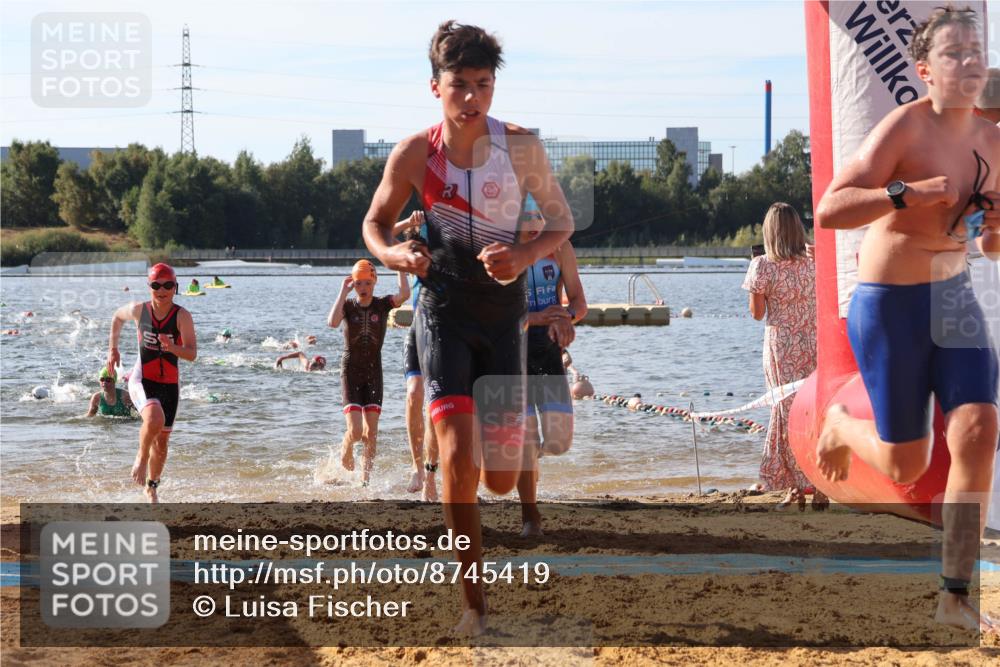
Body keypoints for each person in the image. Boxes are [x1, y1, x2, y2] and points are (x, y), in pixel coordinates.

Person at [360, 21, 574, 635]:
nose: (473, 98)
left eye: (484, 85)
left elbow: (560, 225)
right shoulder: (413, 154)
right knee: (455, 459)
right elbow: (374, 224)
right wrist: (395, 256)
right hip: (444, 313)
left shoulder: (523, 148)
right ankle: (473, 607)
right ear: (436, 87)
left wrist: (526, 257)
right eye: (461, 86)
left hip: (504, 319)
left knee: (501, 480)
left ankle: (498, 452)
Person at [814, 6, 999, 632]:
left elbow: (990, 244)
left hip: (955, 297)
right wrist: (904, 194)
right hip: (891, 303)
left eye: (975, 51)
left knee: (977, 430)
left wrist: (995, 229)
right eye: (955, 54)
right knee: (905, 466)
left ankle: (954, 596)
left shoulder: (995, 140)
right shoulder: (905, 127)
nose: (970, 62)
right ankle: (839, 425)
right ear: (925, 70)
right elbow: (830, 210)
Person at [742, 202, 826, 511]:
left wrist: (757, 287)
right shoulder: (815, 262)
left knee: (785, 414)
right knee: (814, 414)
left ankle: (792, 487)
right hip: (815, 342)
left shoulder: (762, 265)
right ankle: (820, 486)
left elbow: (757, 313)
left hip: (782, 345)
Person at [515, 196, 587, 537]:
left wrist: (566, 318)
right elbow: (494, 315)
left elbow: (579, 301)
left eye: (537, 225)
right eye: (525, 227)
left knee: (559, 442)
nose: (532, 232)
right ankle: (531, 518)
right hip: (512, 355)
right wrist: (535, 317)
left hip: (548, 352)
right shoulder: (504, 253)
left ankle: (530, 458)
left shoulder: (561, 249)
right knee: (526, 437)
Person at [108, 263, 197, 503]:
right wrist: (113, 351)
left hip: (169, 384)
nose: (162, 290)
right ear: (150, 287)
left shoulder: (182, 316)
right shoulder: (139, 311)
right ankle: (141, 456)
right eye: (156, 285)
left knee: (163, 442)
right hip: (142, 379)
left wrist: (173, 347)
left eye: (168, 285)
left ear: (175, 288)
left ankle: (151, 486)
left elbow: (191, 354)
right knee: (154, 418)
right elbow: (117, 317)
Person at [328, 260, 409, 487]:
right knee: (355, 432)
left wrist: (399, 265)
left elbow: (404, 294)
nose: (363, 287)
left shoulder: (382, 305)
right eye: (358, 283)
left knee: (371, 432)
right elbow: (332, 322)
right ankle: (346, 449)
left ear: (374, 282)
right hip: (350, 371)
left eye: (367, 283)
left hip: (374, 371)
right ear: (353, 285)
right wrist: (342, 292)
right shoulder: (349, 306)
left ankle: (365, 479)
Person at [396, 211, 441, 502]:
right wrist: (409, 225)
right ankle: (417, 469)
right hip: (417, 329)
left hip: (444, 332)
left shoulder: (448, 245)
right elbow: (386, 237)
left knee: (434, 407)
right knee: (414, 394)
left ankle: (431, 475)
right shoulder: (410, 251)